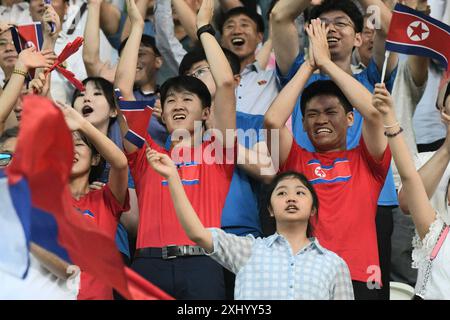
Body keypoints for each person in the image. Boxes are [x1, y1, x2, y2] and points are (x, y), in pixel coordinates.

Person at [271, 0, 399, 299]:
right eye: (322, 24)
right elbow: (279, 15)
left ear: (358, 37)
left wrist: (326, 62)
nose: (330, 29)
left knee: (367, 288)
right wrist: (315, 61)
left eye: (340, 23)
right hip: (310, 197)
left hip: (372, 202)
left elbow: (389, 26)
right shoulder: (299, 78)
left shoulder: (372, 78)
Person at [114, 0, 237, 299]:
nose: (179, 105)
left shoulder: (218, 151)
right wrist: (138, 24)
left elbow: (224, 83)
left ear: (207, 114)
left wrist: (204, 28)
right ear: (162, 113)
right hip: (148, 264)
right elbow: (122, 91)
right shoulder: (146, 154)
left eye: (188, 100)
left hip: (203, 264)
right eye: (171, 100)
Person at [147, 150, 354, 300]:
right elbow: (197, 234)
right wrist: (173, 177)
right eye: (281, 193)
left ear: (313, 209)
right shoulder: (250, 250)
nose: (291, 198)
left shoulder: (334, 264)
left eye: (300, 193)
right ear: (270, 210)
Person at [56, 102, 130, 300]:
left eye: (79, 144)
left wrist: (82, 123)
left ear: (96, 159)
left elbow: (121, 163)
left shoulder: (105, 199)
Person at [394, 83, 450, 299]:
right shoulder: (426, 160)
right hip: (434, 284)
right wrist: (447, 149)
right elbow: (407, 202)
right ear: (443, 112)